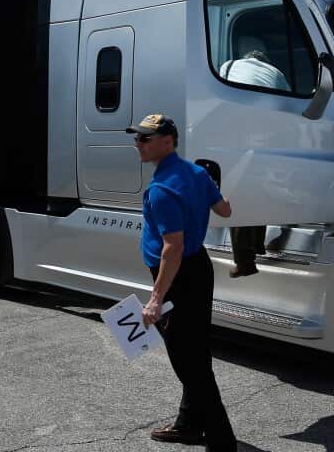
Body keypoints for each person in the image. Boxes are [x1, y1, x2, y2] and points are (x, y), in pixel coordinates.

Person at [128, 113, 238, 451]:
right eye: (137, 138)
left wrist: (155, 299)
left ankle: (222, 441)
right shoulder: (196, 173)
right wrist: (207, 186)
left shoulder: (161, 189)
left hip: (179, 277)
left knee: (190, 365)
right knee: (196, 351)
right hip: (199, 270)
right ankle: (188, 424)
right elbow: (225, 210)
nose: (138, 144)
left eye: (145, 138)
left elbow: (171, 249)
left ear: (167, 141)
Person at [217, 43, 282, 277]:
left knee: (238, 196)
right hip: (267, 138)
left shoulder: (230, 65)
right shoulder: (276, 73)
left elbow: (218, 93)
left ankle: (245, 261)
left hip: (239, 136)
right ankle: (258, 245)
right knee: (259, 190)